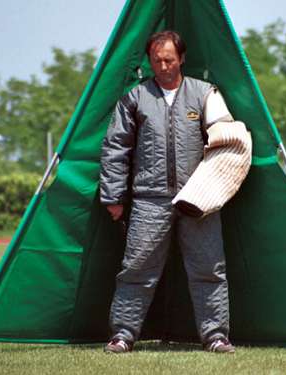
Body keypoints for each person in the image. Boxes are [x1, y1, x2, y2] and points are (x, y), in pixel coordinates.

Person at [100, 30, 235, 354]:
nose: (163, 66)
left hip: (198, 199)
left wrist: (217, 189)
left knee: (209, 270)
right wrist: (113, 197)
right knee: (136, 270)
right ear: (150, 61)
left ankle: (216, 337)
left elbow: (230, 143)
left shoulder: (204, 94)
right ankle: (122, 335)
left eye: (169, 60)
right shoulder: (135, 98)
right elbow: (115, 148)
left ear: (182, 59)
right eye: (157, 60)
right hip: (149, 199)